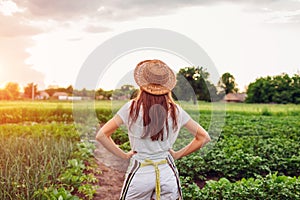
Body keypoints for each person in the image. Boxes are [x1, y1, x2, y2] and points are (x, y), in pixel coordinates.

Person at [96, 59, 211, 200]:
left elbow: (101, 135)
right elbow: (204, 137)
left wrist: (124, 155)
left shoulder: (131, 108)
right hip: (167, 172)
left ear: (142, 84)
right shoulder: (176, 110)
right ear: (167, 86)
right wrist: (177, 155)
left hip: (140, 172)